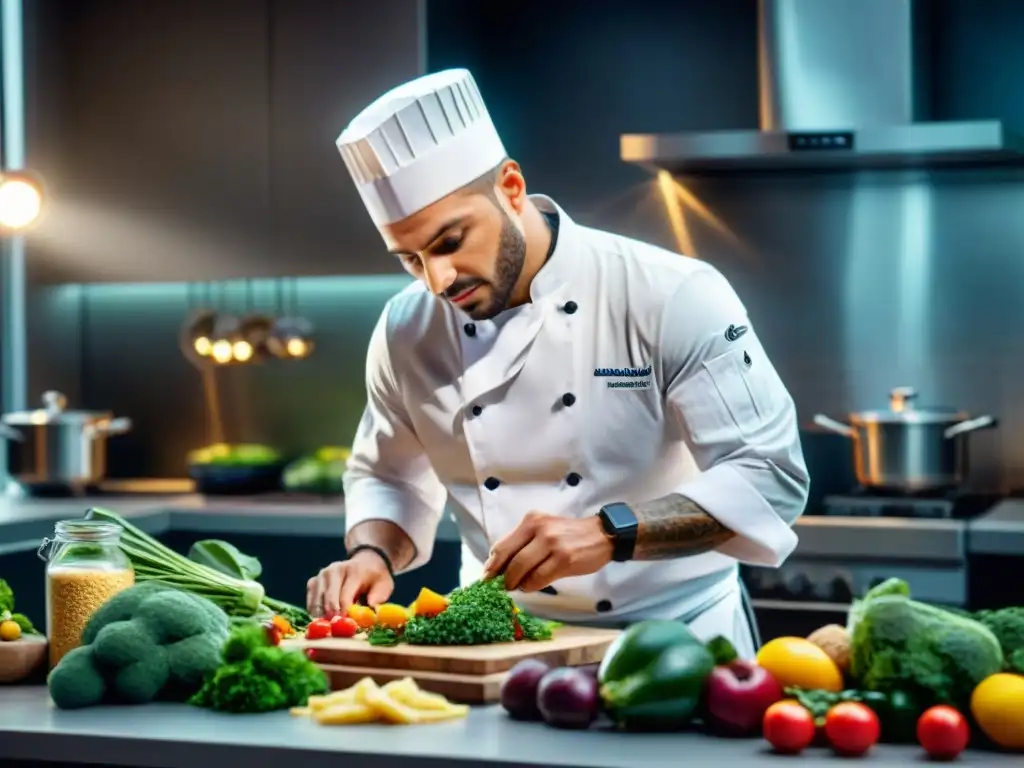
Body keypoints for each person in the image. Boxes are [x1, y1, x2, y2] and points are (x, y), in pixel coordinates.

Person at [306, 69, 809, 658]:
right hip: (495, 643)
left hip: (677, 639)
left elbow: (769, 475)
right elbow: (387, 475)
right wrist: (372, 553)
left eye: (449, 242)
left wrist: (607, 533)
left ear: (511, 187)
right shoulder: (405, 329)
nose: (437, 280)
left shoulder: (669, 294)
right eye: (411, 259)